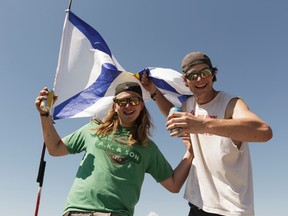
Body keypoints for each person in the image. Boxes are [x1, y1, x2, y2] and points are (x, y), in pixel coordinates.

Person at [140, 51, 273, 216]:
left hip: (232, 209)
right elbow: (171, 112)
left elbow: (263, 131)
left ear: (213, 75)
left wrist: (202, 124)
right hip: (198, 204)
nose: (199, 79)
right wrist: (154, 92)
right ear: (185, 81)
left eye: (205, 73)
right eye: (193, 75)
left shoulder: (231, 103)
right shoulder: (189, 106)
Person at [35, 82, 193, 216]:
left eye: (134, 101)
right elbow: (55, 148)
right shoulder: (93, 129)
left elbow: (173, 184)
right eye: (123, 102)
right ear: (115, 105)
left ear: (142, 105)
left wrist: (191, 152)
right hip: (76, 211)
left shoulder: (148, 147)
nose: (128, 105)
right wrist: (44, 115)